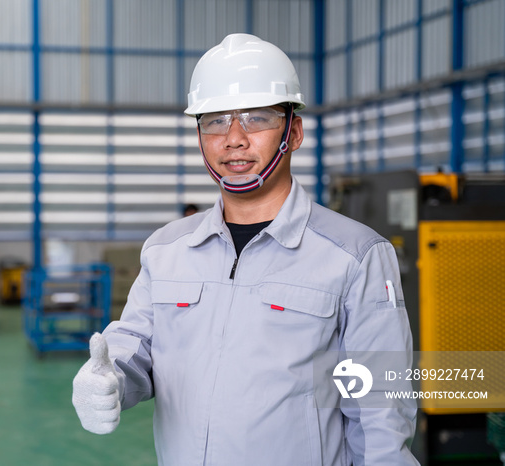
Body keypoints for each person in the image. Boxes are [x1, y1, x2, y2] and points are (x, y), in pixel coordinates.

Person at [72, 34, 418, 465]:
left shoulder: (355, 255)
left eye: (256, 118)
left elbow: (380, 415)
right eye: (215, 120)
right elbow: (137, 345)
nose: (233, 138)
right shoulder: (166, 250)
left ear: (292, 131)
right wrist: (109, 378)